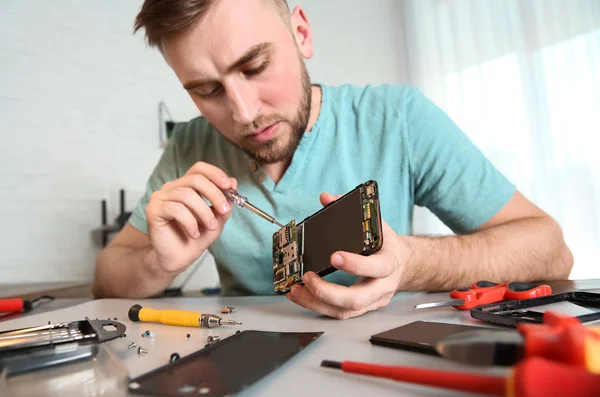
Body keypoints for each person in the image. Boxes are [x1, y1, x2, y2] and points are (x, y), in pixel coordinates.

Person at [92, 0, 573, 319]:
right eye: (206, 90)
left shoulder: (398, 118)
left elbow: (551, 251)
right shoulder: (189, 147)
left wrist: (410, 262)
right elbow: (108, 276)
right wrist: (159, 264)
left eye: (254, 66)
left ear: (301, 32)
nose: (244, 113)